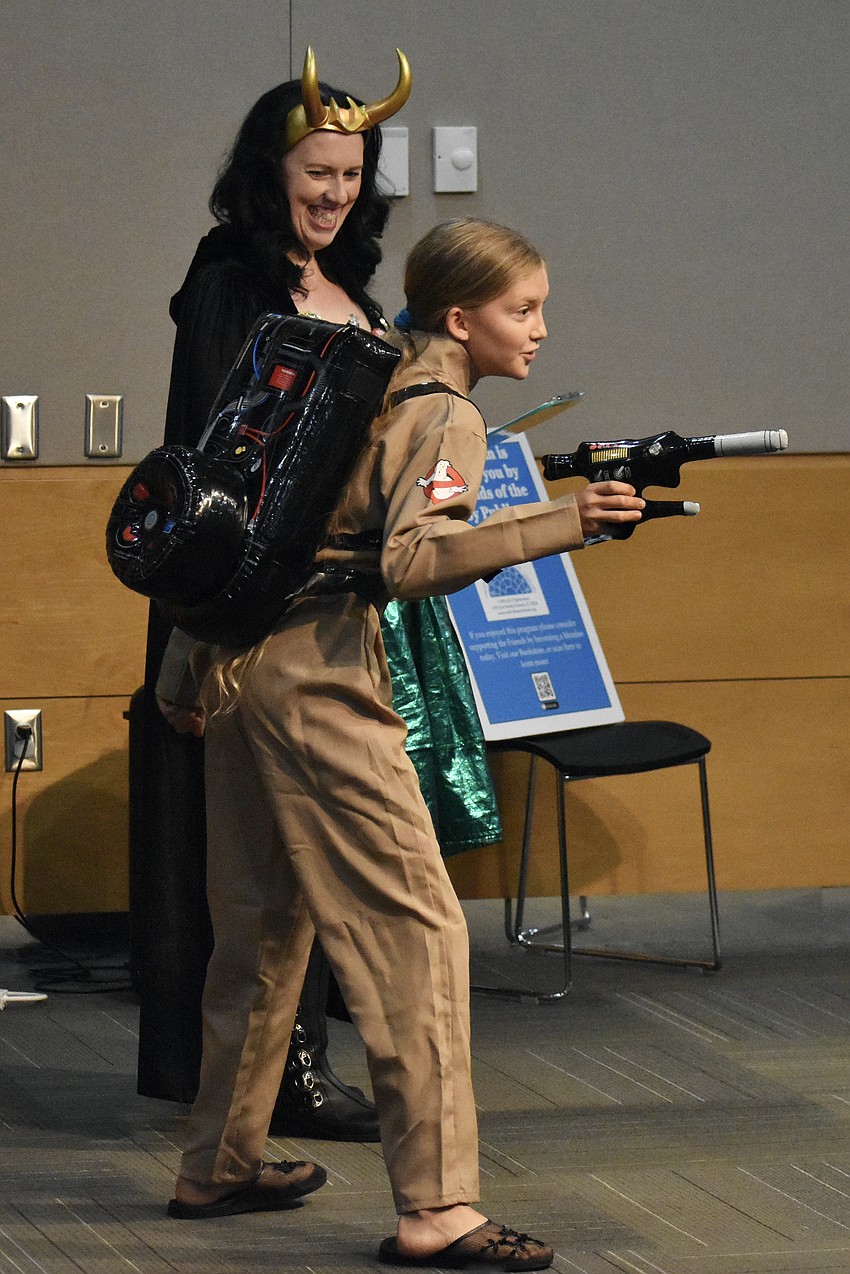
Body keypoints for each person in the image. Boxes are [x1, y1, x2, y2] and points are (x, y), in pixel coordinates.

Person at [156, 214, 644, 1269]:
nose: (541, 329)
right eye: (523, 309)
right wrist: (569, 522)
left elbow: (245, 510)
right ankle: (436, 1209)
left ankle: (217, 1161)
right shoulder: (443, 414)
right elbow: (416, 559)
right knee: (419, 933)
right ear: (462, 317)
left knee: (262, 929)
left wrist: (181, 668)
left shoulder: (346, 371)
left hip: (240, 664)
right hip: (323, 676)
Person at [133, 48, 501, 1144]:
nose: (334, 193)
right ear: (268, 173)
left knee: (292, 875)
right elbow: (222, 452)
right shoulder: (229, 279)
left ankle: (265, 1103)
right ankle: (261, 1097)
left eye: (351, 173)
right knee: (259, 877)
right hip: (245, 605)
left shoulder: (362, 293)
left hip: (342, 606)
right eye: (315, 173)